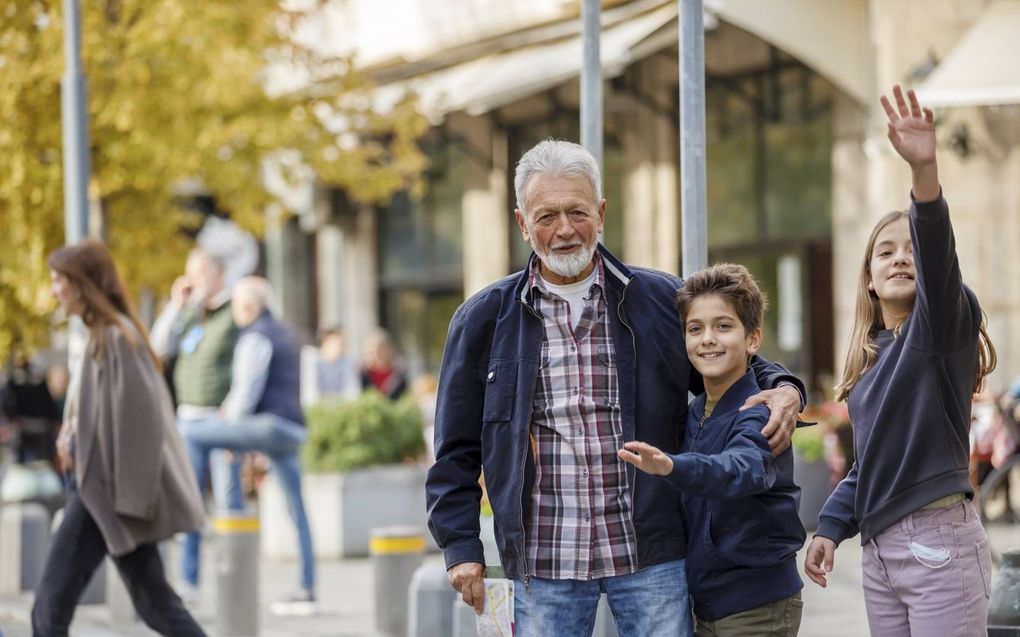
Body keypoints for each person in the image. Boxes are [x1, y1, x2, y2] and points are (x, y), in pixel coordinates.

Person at [426, 139, 805, 635]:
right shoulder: (482, 319)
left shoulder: (660, 299)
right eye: (546, 216)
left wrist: (784, 386)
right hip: (544, 563)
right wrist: (460, 548)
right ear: (522, 223)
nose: (564, 229)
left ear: (601, 213)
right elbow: (455, 448)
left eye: (577, 211)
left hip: (652, 556)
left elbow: (729, 359)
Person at [804, 86, 997, 636]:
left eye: (910, 247)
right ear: (868, 277)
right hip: (880, 552)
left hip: (939, 544)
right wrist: (829, 528)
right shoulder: (869, 366)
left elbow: (938, 253)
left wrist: (925, 170)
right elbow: (871, 467)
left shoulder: (940, 328)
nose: (901, 257)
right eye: (886, 251)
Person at [618, 263, 804, 636]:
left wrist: (673, 466)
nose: (707, 339)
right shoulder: (695, 411)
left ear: (752, 339)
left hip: (755, 606)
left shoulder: (759, 409)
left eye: (723, 326)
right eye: (695, 329)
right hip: (709, 606)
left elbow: (741, 468)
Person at [34, 240, 206, 637]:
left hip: (105, 496)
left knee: (48, 611)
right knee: (156, 605)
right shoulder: (104, 335)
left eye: (60, 281)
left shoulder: (116, 338)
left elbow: (143, 427)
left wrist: (131, 502)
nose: (54, 290)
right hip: (107, 494)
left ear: (82, 285)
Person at [173, 277, 317, 616]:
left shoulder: (254, 335)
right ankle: (308, 587)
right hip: (292, 428)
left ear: (249, 307)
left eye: (237, 306)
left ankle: (190, 565)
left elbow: (245, 392)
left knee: (192, 433)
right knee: (297, 508)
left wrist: (228, 434)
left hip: (266, 426)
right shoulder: (286, 333)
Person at [150, 247, 244, 598]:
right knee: (189, 502)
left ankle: (234, 577)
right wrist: (176, 304)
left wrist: (234, 410)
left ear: (218, 273)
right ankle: (190, 581)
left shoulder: (233, 311)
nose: (195, 281)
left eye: (201, 272)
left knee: (227, 500)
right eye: (190, 274)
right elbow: (158, 347)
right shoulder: (189, 315)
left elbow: (245, 363)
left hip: (218, 419)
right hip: (188, 420)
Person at [313, 324, 359, 400]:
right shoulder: (313, 361)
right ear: (325, 342)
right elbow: (311, 393)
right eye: (336, 343)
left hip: (341, 407)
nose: (340, 348)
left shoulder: (347, 362)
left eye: (342, 344)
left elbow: (352, 391)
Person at [359, 328, 408, 400]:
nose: (374, 355)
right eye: (370, 352)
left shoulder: (398, 377)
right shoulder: (362, 376)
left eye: (378, 351)